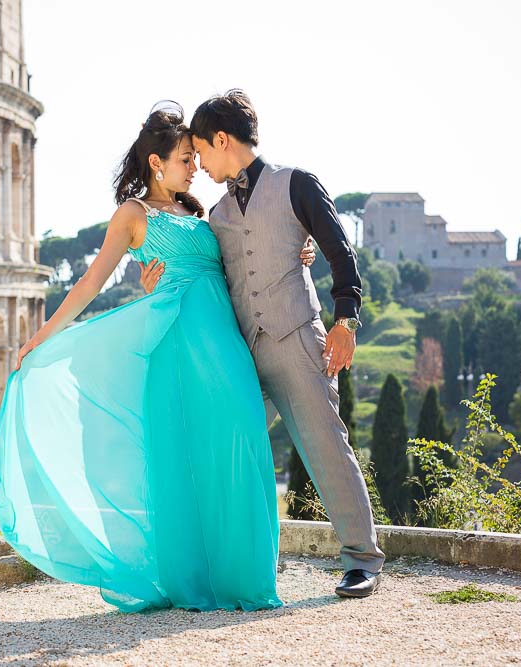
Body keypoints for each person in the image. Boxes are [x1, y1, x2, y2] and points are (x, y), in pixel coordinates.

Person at [0, 103, 313, 612]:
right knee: (180, 461)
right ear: (156, 163)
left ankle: (246, 580)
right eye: (184, 158)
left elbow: (249, 253)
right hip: (174, 348)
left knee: (241, 439)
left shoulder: (200, 212)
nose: (195, 166)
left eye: (195, 157)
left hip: (223, 342)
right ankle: (193, 582)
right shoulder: (133, 215)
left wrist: (296, 251)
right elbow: (91, 283)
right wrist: (41, 337)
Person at [141, 90, 386, 598]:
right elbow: (202, 273)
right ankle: (234, 563)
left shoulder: (296, 183)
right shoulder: (219, 215)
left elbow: (341, 253)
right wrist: (154, 281)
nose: (199, 163)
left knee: (324, 447)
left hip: (296, 339)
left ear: (222, 139)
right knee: (227, 445)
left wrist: (346, 322)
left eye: (201, 152)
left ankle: (362, 560)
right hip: (240, 353)